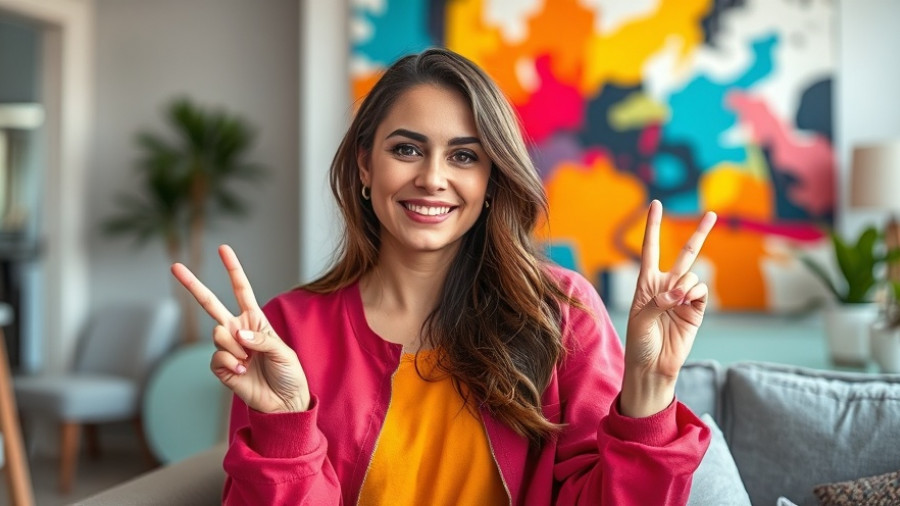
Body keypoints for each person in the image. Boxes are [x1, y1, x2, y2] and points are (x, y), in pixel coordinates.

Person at [172, 47, 716, 505]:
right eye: (407, 149)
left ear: (492, 178)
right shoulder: (288, 331)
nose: (432, 178)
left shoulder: (562, 311)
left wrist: (650, 387)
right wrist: (287, 429)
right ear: (365, 165)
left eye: (464, 157)